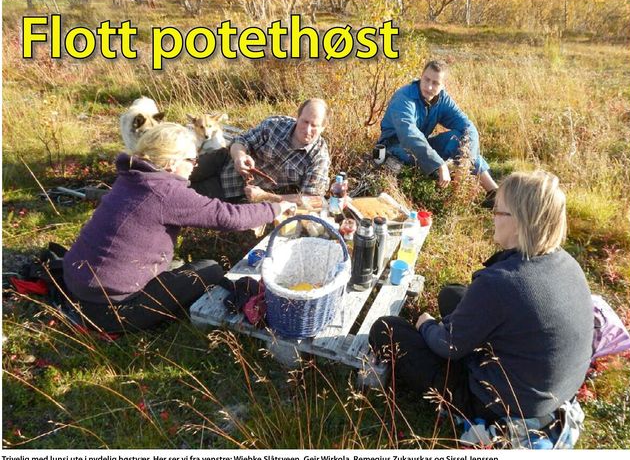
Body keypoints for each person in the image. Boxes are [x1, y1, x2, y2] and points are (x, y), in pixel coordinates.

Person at [368, 171, 593, 439]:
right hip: (550, 386)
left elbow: (447, 346)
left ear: (520, 222)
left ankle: (461, 406)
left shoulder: (501, 283)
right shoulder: (566, 262)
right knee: (451, 294)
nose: (492, 216)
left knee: (385, 329)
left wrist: (426, 325)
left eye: (498, 211)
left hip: (500, 404)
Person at [62, 123, 295, 333]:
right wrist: (277, 207)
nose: (194, 167)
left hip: (74, 285)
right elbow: (227, 217)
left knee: (180, 267)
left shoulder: (132, 177)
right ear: (172, 162)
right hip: (110, 311)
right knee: (210, 269)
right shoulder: (165, 192)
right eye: (192, 160)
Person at [377, 60, 498, 199]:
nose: (429, 87)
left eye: (435, 83)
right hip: (395, 147)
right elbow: (409, 135)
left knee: (459, 137)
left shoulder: (442, 99)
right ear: (421, 77)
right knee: (429, 155)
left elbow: (467, 126)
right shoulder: (404, 97)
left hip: (422, 145)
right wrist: (439, 163)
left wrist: (465, 163)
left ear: (443, 86)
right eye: (426, 79)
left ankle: (493, 193)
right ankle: (446, 196)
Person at [190, 98, 333, 203]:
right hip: (221, 160)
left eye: (314, 125)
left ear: (323, 127)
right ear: (298, 117)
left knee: (183, 196)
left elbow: (311, 199)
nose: (307, 130)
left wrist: (266, 196)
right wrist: (239, 156)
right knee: (177, 174)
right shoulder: (275, 125)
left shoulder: (319, 158)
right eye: (304, 121)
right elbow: (240, 140)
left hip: (238, 191)